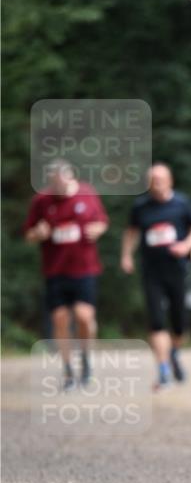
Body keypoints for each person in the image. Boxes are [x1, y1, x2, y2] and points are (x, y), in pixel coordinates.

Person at [23, 159, 109, 389]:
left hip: (84, 268)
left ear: (70, 177)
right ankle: (69, 370)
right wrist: (38, 233)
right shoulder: (41, 201)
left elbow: (102, 221)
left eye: (61, 183)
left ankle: (86, 360)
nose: (58, 189)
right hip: (55, 271)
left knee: (84, 317)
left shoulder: (86, 194)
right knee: (59, 320)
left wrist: (97, 230)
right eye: (54, 184)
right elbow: (28, 234)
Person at [121, 163, 191, 389]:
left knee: (179, 324)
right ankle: (163, 369)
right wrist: (126, 255)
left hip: (177, 270)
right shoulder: (141, 207)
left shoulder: (182, 203)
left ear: (170, 181)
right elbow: (131, 232)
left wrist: (185, 245)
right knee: (155, 320)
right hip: (151, 271)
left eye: (161, 179)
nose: (157, 184)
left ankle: (173, 352)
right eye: (153, 180)